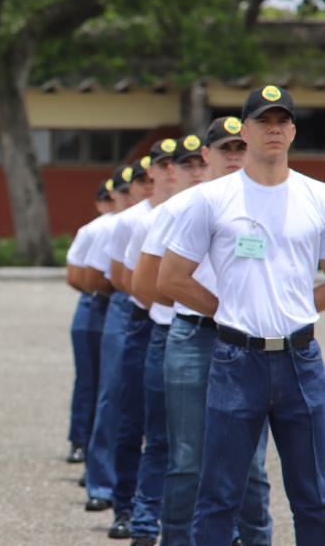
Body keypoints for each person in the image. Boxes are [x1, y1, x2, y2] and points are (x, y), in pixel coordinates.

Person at [159, 85, 320, 545]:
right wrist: (226, 311)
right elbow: (170, 278)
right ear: (245, 130)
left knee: (314, 495)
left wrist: (301, 308)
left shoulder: (316, 197)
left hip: (300, 360)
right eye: (263, 121)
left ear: (291, 131)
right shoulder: (211, 198)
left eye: (282, 121)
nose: (274, 129)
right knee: (220, 494)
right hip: (235, 359)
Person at [138, 119, 271, 546]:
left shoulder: (267, 203)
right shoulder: (182, 205)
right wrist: (222, 310)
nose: (233, 156)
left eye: (239, 147)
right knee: (188, 459)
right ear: (206, 157)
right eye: (224, 149)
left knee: (251, 466)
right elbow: (146, 284)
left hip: (251, 342)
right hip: (196, 338)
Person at [120, 138, 193, 546]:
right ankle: (145, 522)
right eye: (181, 165)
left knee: (219, 444)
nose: (185, 172)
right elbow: (138, 282)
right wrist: (175, 314)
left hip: (217, 335)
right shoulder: (154, 217)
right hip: (167, 330)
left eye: (194, 164)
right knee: (160, 435)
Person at [80, 164, 147, 516]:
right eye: (144, 180)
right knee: (113, 395)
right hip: (126, 303)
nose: (151, 185)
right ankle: (103, 483)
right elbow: (96, 277)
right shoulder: (120, 222)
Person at [64, 182, 115, 465]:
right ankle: (80, 440)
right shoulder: (92, 229)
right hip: (94, 304)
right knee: (89, 380)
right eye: (105, 198)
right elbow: (74, 275)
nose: (111, 203)